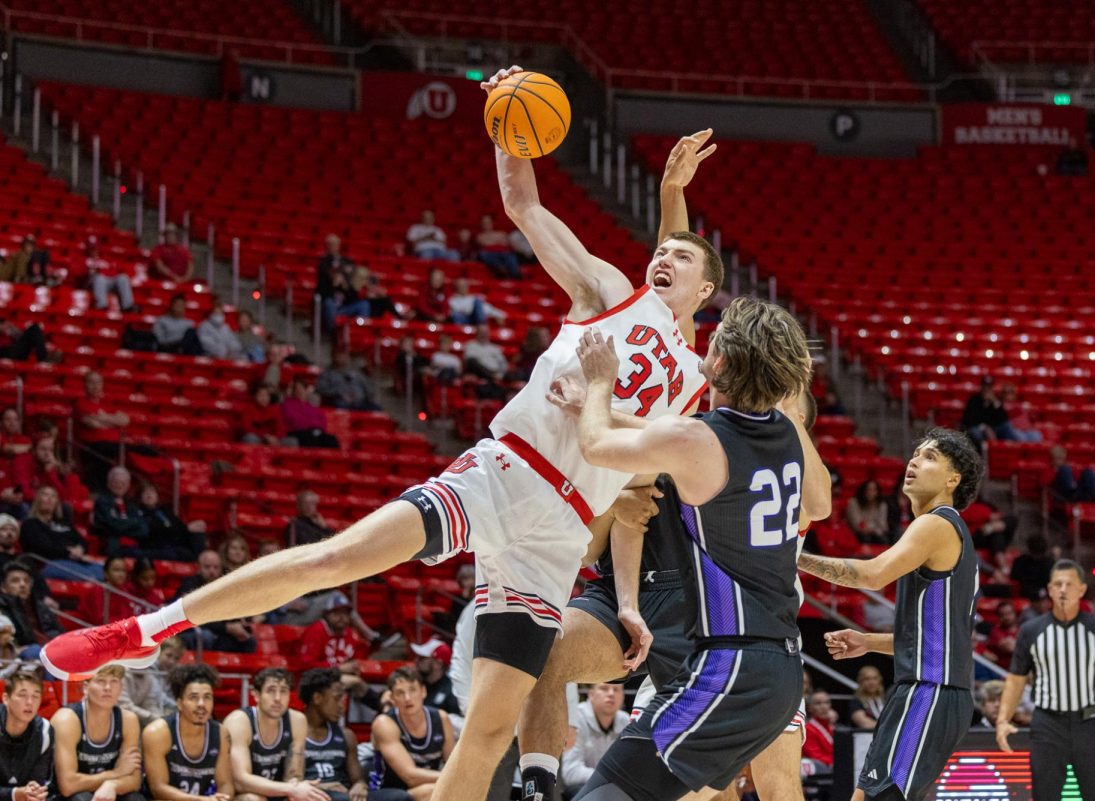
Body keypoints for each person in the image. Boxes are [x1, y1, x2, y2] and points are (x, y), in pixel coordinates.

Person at [40, 62, 716, 801]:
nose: (663, 258)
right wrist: (505, 124)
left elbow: (656, 401)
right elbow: (522, 201)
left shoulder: (694, 383)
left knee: (490, 729)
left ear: (705, 292)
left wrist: (672, 208)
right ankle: (148, 629)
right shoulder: (611, 291)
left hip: (558, 537)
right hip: (503, 474)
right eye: (661, 249)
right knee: (336, 558)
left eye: (679, 259)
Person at [568, 296, 816, 801]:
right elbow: (823, 500)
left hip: (729, 668)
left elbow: (594, 447)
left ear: (719, 362)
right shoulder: (785, 436)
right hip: (782, 668)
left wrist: (597, 384)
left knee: (605, 795)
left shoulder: (698, 439)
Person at [797, 427, 983, 801]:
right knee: (868, 795)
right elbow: (936, 638)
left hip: (930, 691)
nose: (914, 460)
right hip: (925, 689)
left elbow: (872, 574)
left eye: (930, 456)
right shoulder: (937, 529)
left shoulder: (938, 523)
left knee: (881, 797)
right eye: (915, 453)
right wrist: (868, 642)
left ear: (952, 479)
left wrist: (790, 558)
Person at [996, 561, 1095, 801]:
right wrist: (1003, 719)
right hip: (1047, 725)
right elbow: (1015, 680)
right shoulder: (1031, 630)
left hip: (1089, 724)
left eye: (1069, 584)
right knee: (1045, 796)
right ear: (1050, 589)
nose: (1063, 589)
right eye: (1058, 584)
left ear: (1082, 590)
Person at [300, 669, 410, 801]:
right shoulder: (294, 733)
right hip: (312, 795)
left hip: (344, 794)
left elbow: (357, 779)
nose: (341, 706)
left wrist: (360, 785)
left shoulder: (346, 735)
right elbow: (290, 781)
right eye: (337, 699)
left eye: (343, 699)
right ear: (317, 698)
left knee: (400, 797)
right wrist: (322, 787)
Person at [49, 665, 145, 801]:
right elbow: (68, 786)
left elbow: (134, 781)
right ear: (86, 687)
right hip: (69, 796)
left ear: (121, 688)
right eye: (100, 681)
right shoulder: (67, 719)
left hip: (107, 792)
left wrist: (113, 785)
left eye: (114, 681)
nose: (108, 687)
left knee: (135, 798)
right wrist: (117, 773)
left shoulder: (128, 720)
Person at [223, 669, 321, 801]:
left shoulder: (297, 721)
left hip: (279, 792)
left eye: (283, 691)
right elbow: (240, 781)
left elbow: (294, 776)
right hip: (242, 795)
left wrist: (294, 790)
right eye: (271, 691)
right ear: (256, 695)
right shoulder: (239, 722)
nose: (277, 698)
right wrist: (290, 789)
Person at [142, 664, 233, 801]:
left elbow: (225, 783)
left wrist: (223, 798)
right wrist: (200, 800)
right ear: (179, 703)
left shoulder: (221, 733)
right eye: (193, 697)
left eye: (207, 697)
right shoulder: (157, 732)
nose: (201, 704)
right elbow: (158, 789)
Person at [371, 667, 456, 801]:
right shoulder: (384, 723)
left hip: (429, 785)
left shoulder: (441, 718)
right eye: (400, 693)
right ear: (392, 698)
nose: (407, 698)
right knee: (433, 791)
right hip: (388, 791)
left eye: (412, 690)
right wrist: (454, 778)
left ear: (423, 691)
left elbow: (452, 764)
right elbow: (410, 777)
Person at [19, 485, 104, 581]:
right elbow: (44, 548)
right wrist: (69, 552)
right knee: (96, 577)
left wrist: (80, 549)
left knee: (108, 570)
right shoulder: (30, 524)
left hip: (76, 562)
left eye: (53, 496)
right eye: (45, 495)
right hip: (50, 564)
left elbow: (82, 541)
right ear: (37, 500)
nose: (49, 499)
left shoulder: (64, 523)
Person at [561, 684, 628, 798]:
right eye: (604, 688)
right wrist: (608, 778)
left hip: (614, 787)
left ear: (622, 697)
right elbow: (570, 772)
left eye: (616, 689)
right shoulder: (576, 719)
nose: (611, 694)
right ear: (591, 694)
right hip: (582, 788)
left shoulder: (626, 721)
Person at [0, 668, 54, 801]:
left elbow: (39, 780)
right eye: (22, 695)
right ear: (6, 698)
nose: (30, 702)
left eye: (35, 696)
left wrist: (34, 790)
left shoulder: (45, 730)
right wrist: (14, 794)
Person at [74, 373, 130, 486]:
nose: (95, 386)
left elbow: (125, 420)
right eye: (92, 382)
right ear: (85, 385)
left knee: (145, 450)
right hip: (93, 447)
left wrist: (103, 418)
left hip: (114, 443)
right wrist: (113, 422)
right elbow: (93, 424)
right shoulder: (81, 403)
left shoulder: (107, 403)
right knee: (111, 452)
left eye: (98, 382)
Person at [1, 562, 62, 660]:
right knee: (37, 652)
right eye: (15, 581)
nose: (22, 584)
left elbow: (58, 631)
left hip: (47, 647)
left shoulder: (41, 606)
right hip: (20, 654)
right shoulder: (2, 607)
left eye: (26, 580)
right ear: (3, 587)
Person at [119, 637, 184, 727]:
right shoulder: (122, 672)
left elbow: (150, 702)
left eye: (148, 657)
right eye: (168, 656)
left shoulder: (147, 675)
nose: (171, 661)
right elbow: (125, 706)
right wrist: (156, 718)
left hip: (141, 718)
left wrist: (160, 720)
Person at [297, 592, 366, 674]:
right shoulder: (316, 631)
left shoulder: (350, 633)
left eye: (345, 613)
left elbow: (359, 659)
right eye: (336, 612)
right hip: (318, 680)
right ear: (326, 615)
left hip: (341, 677)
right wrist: (337, 669)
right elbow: (306, 666)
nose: (341, 617)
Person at [136, 485, 207, 562]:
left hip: (175, 543)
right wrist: (185, 528)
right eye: (145, 493)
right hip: (157, 546)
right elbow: (154, 529)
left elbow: (178, 525)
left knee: (198, 530)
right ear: (140, 497)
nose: (149, 494)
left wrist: (190, 528)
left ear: (157, 496)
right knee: (184, 552)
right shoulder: (138, 512)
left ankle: (201, 561)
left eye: (152, 492)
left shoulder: (164, 511)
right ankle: (199, 561)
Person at [92, 467, 150, 558]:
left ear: (128, 485)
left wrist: (122, 526)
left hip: (134, 545)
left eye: (123, 483)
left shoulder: (132, 504)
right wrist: (134, 522)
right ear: (109, 483)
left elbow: (144, 530)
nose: (120, 485)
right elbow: (113, 525)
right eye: (116, 482)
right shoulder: (102, 501)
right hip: (112, 545)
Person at [279, 380, 340, 449]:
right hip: (299, 433)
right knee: (311, 440)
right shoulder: (288, 404)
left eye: (302, 388)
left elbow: (323, 422)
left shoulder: (311, 406)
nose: (300, 391)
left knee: (331, 440)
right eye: (297, 389)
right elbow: (295, 421)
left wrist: (313, 427)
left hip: (315, 432)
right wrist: (313, 424)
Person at [409, 640, 460, 718]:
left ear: (438, 664)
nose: (416, 661)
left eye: (422, 658)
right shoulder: (418, 685)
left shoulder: (452, 692)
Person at [82, 238, 135, 313]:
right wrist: (88, 272)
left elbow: (115, 272)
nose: (94, 250)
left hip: (108, 282)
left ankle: (128, 306)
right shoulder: (83, 260)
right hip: (92, 283)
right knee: (99, 278)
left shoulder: (105, 259)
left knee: (123, 278)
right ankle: (101, 305)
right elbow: (78, 276)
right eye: (91, 248)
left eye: (95, 248)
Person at [801, 690, 836, 776]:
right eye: (818, 703)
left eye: (826, 702)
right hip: (819, 769)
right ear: (810, 708)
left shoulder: (833, 726)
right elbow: (815, 756)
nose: (823, 707)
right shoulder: (807, 729)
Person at [475, 216, 521, 280]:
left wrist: (492, 241)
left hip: (504, 253)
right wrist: (497, 241)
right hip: (490, 254)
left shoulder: (500, 233)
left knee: (511, 256)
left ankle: (515, 276)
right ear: (481, 224)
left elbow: (507, 242)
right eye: (484, 223)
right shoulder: (480, 236)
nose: (487, 224)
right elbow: (484, 243)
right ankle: (501, 269)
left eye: (488, 222)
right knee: (483, 254)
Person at [1011, 535, 1055, 600]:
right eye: (1034, 553)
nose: (1036, 556)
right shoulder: (1020, 561)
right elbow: (1015, 577)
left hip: (1045, 591)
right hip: (1026, 592)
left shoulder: (1049, 562)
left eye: (1039, 554)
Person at [846, 479, 889, 544]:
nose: (871, 493)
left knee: (884, 539)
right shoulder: (854, 503)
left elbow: (883, 525)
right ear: (863, 491)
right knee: (865, 537)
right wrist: (873, 528)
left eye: (874, 490)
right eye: (869, 489)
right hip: (857, 533)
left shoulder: (882, 505)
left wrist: (872, 530)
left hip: (875, 534)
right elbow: (858, 525)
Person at [984, 600, 1020, 671]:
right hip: (1002, 672)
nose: (1006, 617)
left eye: (1009, 613)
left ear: (1015, 613)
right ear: (998, 617)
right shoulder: (996, 632)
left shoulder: (1022, 630)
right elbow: (1009, 648)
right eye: (1002, 615)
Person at [847, 666, 886, 730]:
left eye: (875, 678)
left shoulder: (885, 700)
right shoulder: (856, 701)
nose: (871, 682)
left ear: (879, 680)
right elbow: (865, 724)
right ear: (861, 681)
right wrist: (889, 726)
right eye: (867, 679)